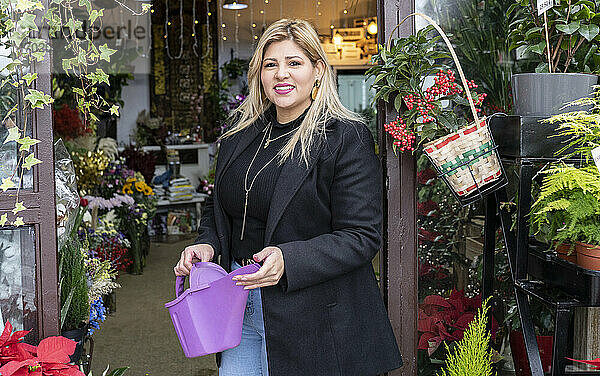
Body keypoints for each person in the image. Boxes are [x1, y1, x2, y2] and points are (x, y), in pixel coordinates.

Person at [174, 18, 402, 376]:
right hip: (237, 305)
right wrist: (207, 245)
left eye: (294, 63)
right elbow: (219, 208)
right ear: (259, 75)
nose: (282, 74)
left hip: (311, 315)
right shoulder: (240, 136)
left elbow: (362, 236)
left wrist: (289, 259)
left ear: (318, 71)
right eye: (271, 64)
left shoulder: (345, 138)